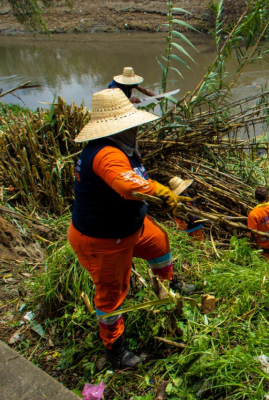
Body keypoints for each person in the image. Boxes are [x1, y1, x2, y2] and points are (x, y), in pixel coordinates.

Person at [67, 88, 190, 369]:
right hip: (104, 238)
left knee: (159, 243)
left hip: (130, 227)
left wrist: (156, 193)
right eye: (132, 124)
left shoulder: (120, 147)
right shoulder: (106, 153)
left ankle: (171, 285)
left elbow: (131, 178)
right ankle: (115, 349)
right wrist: (157, 189)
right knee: (111, 293)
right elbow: (126, 184)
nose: (136, 129)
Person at [169, 176, 205, 241]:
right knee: (198, 243)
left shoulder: (185, 196)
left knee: (197, 243)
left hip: (193, 225)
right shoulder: (179, 202)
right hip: (191, 227)